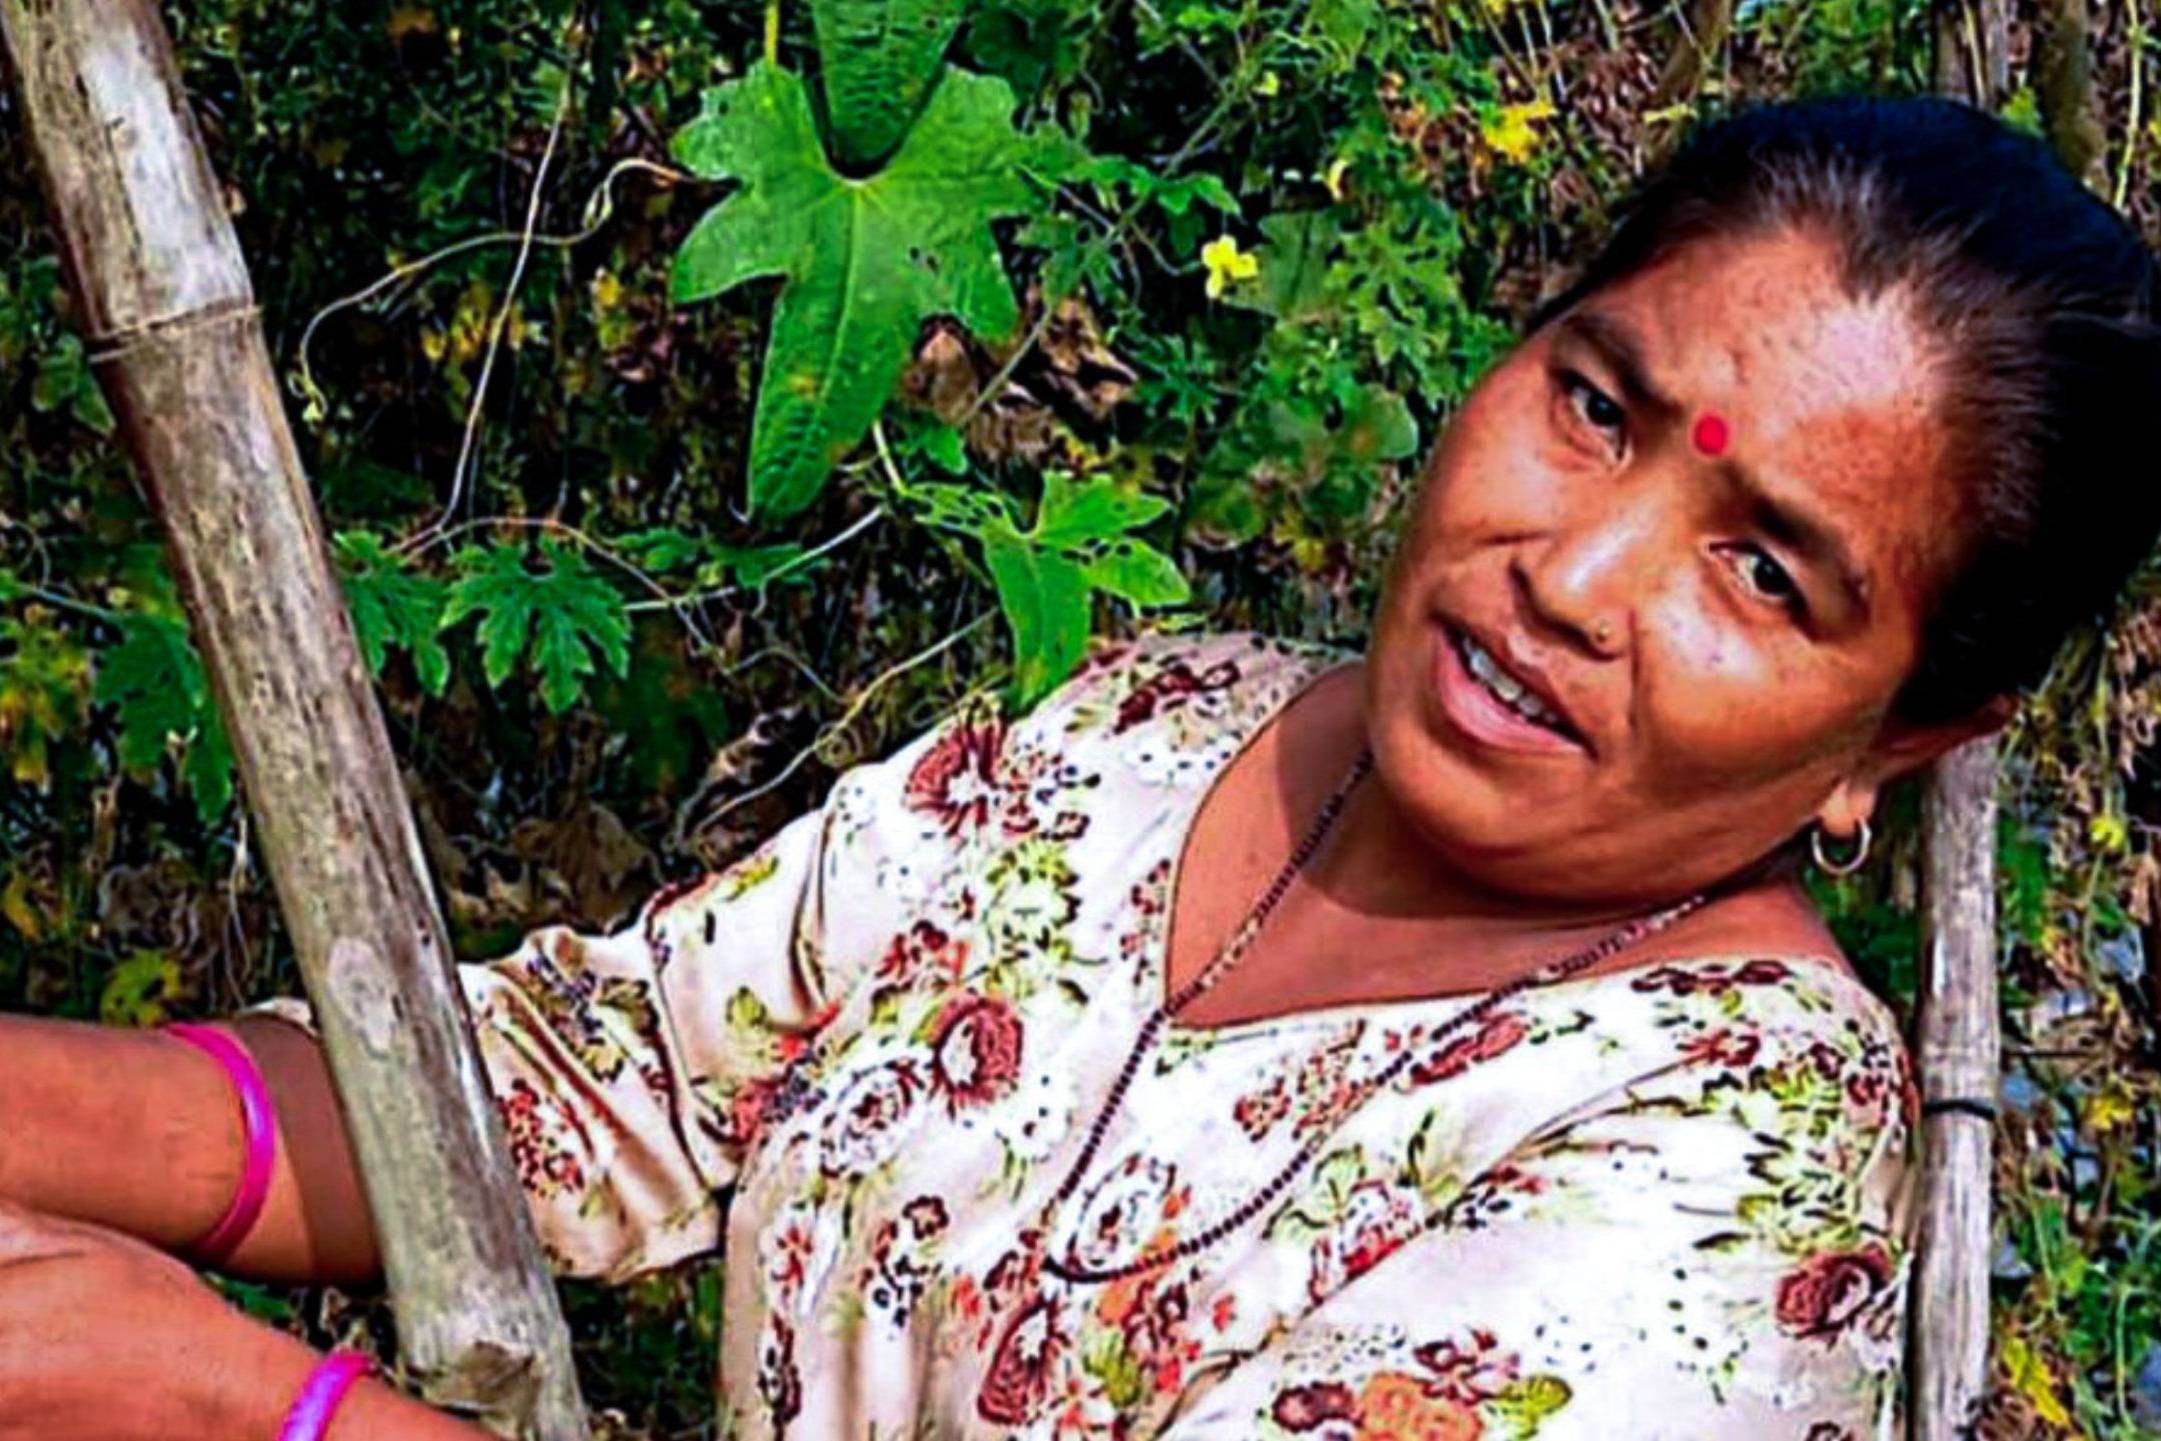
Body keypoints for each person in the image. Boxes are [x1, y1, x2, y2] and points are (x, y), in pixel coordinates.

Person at [4, 92, 2158, 1441]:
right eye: (1595, 401)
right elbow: (590, 1083)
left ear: (1905, 734)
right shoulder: (1152, 734)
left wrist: (246, 1412)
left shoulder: (1738, 1163)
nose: (1570, 572)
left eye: (1764, 572)